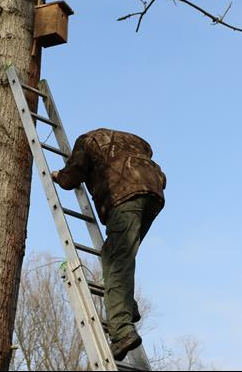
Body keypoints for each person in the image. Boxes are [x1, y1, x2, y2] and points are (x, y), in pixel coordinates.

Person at [51, 128, 166, 362]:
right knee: (115, 254)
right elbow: (160, 173)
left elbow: (73, 174)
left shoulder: (87, 140)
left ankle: (122, 331)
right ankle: (126, 304)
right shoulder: (133, 142)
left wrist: (59, 177)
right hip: (153, 194)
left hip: (125, 196)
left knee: (117, 262)